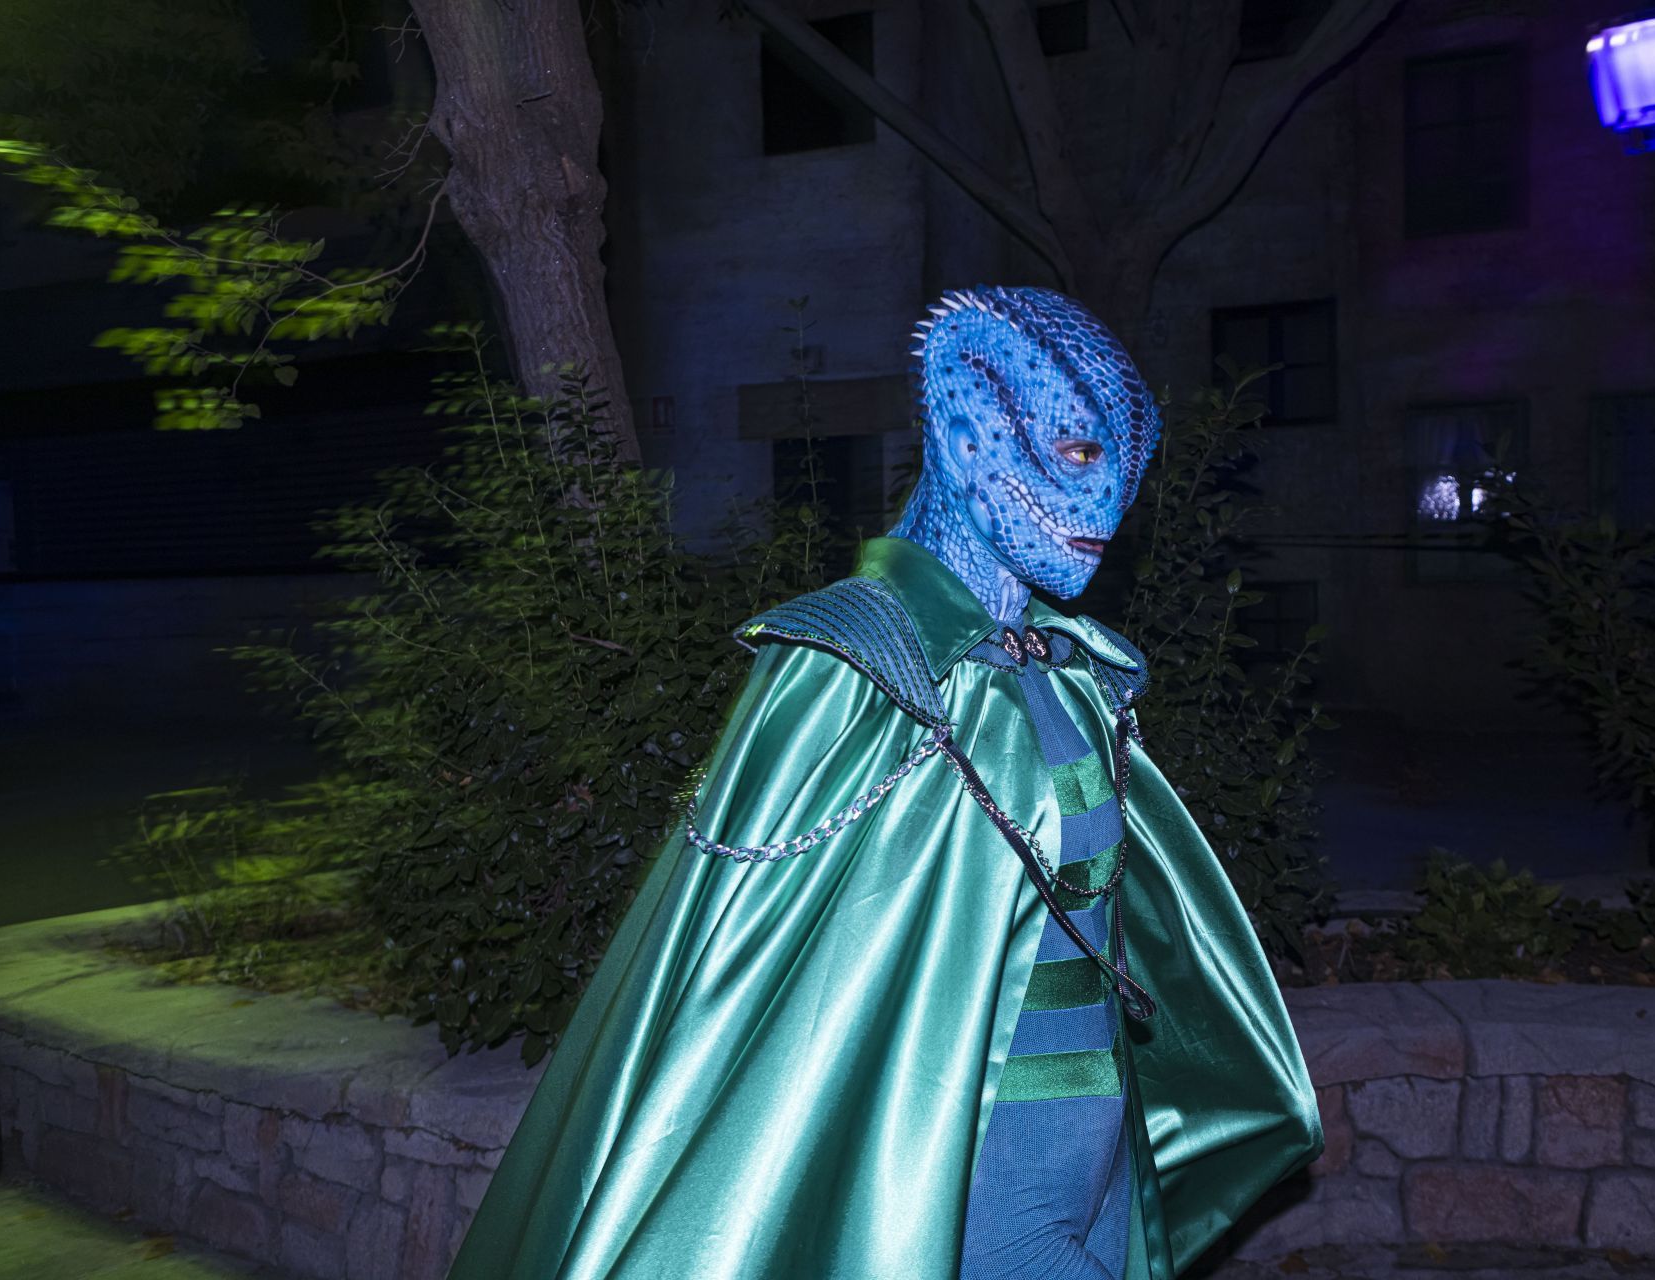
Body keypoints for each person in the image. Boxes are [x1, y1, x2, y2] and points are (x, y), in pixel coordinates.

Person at [446, 286, 1320, 1280]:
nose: (1111, 504)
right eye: (1079, 452)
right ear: (969, 420)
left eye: (1131, 467)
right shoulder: (849, 666)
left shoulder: (1075, 672)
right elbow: (756, 984)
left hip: (1104, 1157)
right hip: (972, 1175)